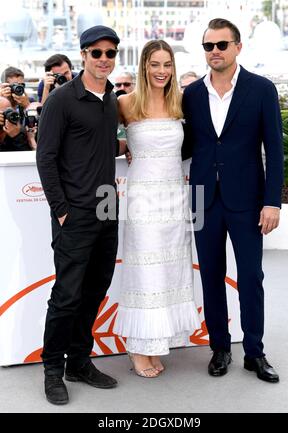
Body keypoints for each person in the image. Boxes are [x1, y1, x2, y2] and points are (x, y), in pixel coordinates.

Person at [182, 18, 284, 383]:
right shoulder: (191, 94)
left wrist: (272, 202)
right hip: (203, 199)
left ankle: (254, 353)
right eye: (208, 46)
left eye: (221, 45)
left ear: (238, 47)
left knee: (251, 277)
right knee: (210, 276)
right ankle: (220, 348)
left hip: (248, 201)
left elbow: (275, 149)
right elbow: (185, 145)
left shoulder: (261, 89)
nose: (214, 52)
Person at [36, 25, 126, 405]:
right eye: (96, 53)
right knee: (67, 296)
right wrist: (60, 210)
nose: (104, 59)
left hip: (108, 208)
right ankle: (53, 369)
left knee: (95, 290)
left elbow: (98, 145)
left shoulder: (110, 100)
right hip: (74, 215)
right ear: (83, 56)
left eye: (110, 53)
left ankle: (79, 361)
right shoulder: (61, 99)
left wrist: (123, 146)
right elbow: (46, 156)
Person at [114, 40, 200, 378]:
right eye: (155, 64)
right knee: (145, 271)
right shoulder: (124, 103)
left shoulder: (180, 102)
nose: (161, 71)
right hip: (142, 201)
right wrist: (124, 149)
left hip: (174, 200)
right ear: (144, 66)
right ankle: (138, 347)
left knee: (169, 271)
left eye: (167, 64)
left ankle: (155, 342)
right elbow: (106, 142)